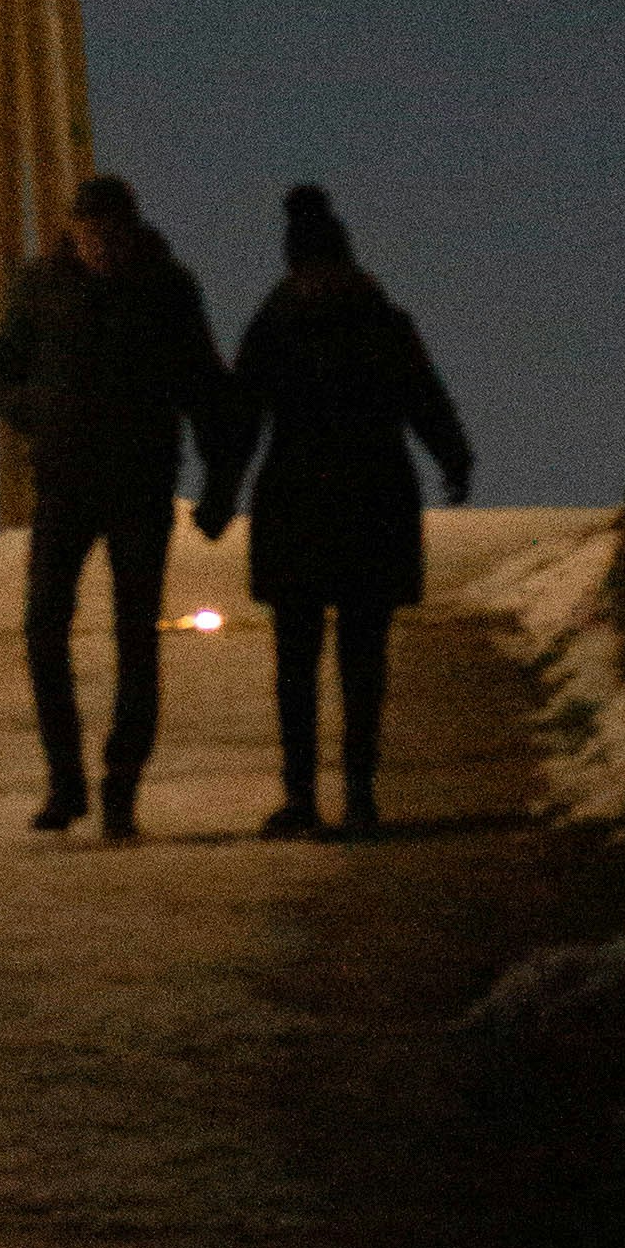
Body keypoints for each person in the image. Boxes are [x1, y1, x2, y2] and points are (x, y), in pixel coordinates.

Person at [199, 185, 472, 839]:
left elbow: (245, 418)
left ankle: (322, 794)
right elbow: (423, 397)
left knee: (318, 663)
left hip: (312, 508)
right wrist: (454, 459)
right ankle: (344, 795)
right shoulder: (378, 319)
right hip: (361, 505)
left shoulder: (283, 322)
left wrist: (221, 496)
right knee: (347, 660)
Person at [0, 172, 234, 841]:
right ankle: (66, 783)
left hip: (140, 485)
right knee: (43, 629)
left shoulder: (166, 289)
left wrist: (219, 488)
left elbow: (206, 387)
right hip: (64, 484)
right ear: (72, 230)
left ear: (129, 228)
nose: (100, 246)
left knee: (135, 637)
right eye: (89, 233)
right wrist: (31, 411)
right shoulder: (42, 285)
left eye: (110, 233)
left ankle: (120, 785)